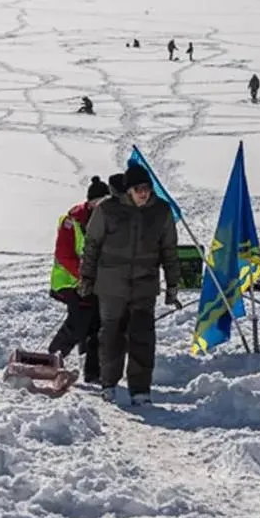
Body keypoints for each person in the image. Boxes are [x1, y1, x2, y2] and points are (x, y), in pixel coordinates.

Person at [79, 162, 181, 405]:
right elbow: (91, 246)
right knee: (111, 335)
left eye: (147, 188)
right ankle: (109, 383)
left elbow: (169, 250)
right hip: (111, 285)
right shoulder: (107, 210)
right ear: (128, 190)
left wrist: (172, 285)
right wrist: (87, 278)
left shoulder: (161, 211)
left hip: (144, 284)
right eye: (138, 189)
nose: (143, 193)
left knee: (142, 336)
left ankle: (140, 389)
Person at [48, 176, 110, 383]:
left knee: (97, 324)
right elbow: (64, 255)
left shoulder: (108, 220)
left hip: (94, 283)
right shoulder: (72, 221)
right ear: (90, 202)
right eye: (98, 202)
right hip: (70, 281)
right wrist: (85, 276)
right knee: (79, 322)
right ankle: (52, 358)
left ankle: (93, 372)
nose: (102, 206)